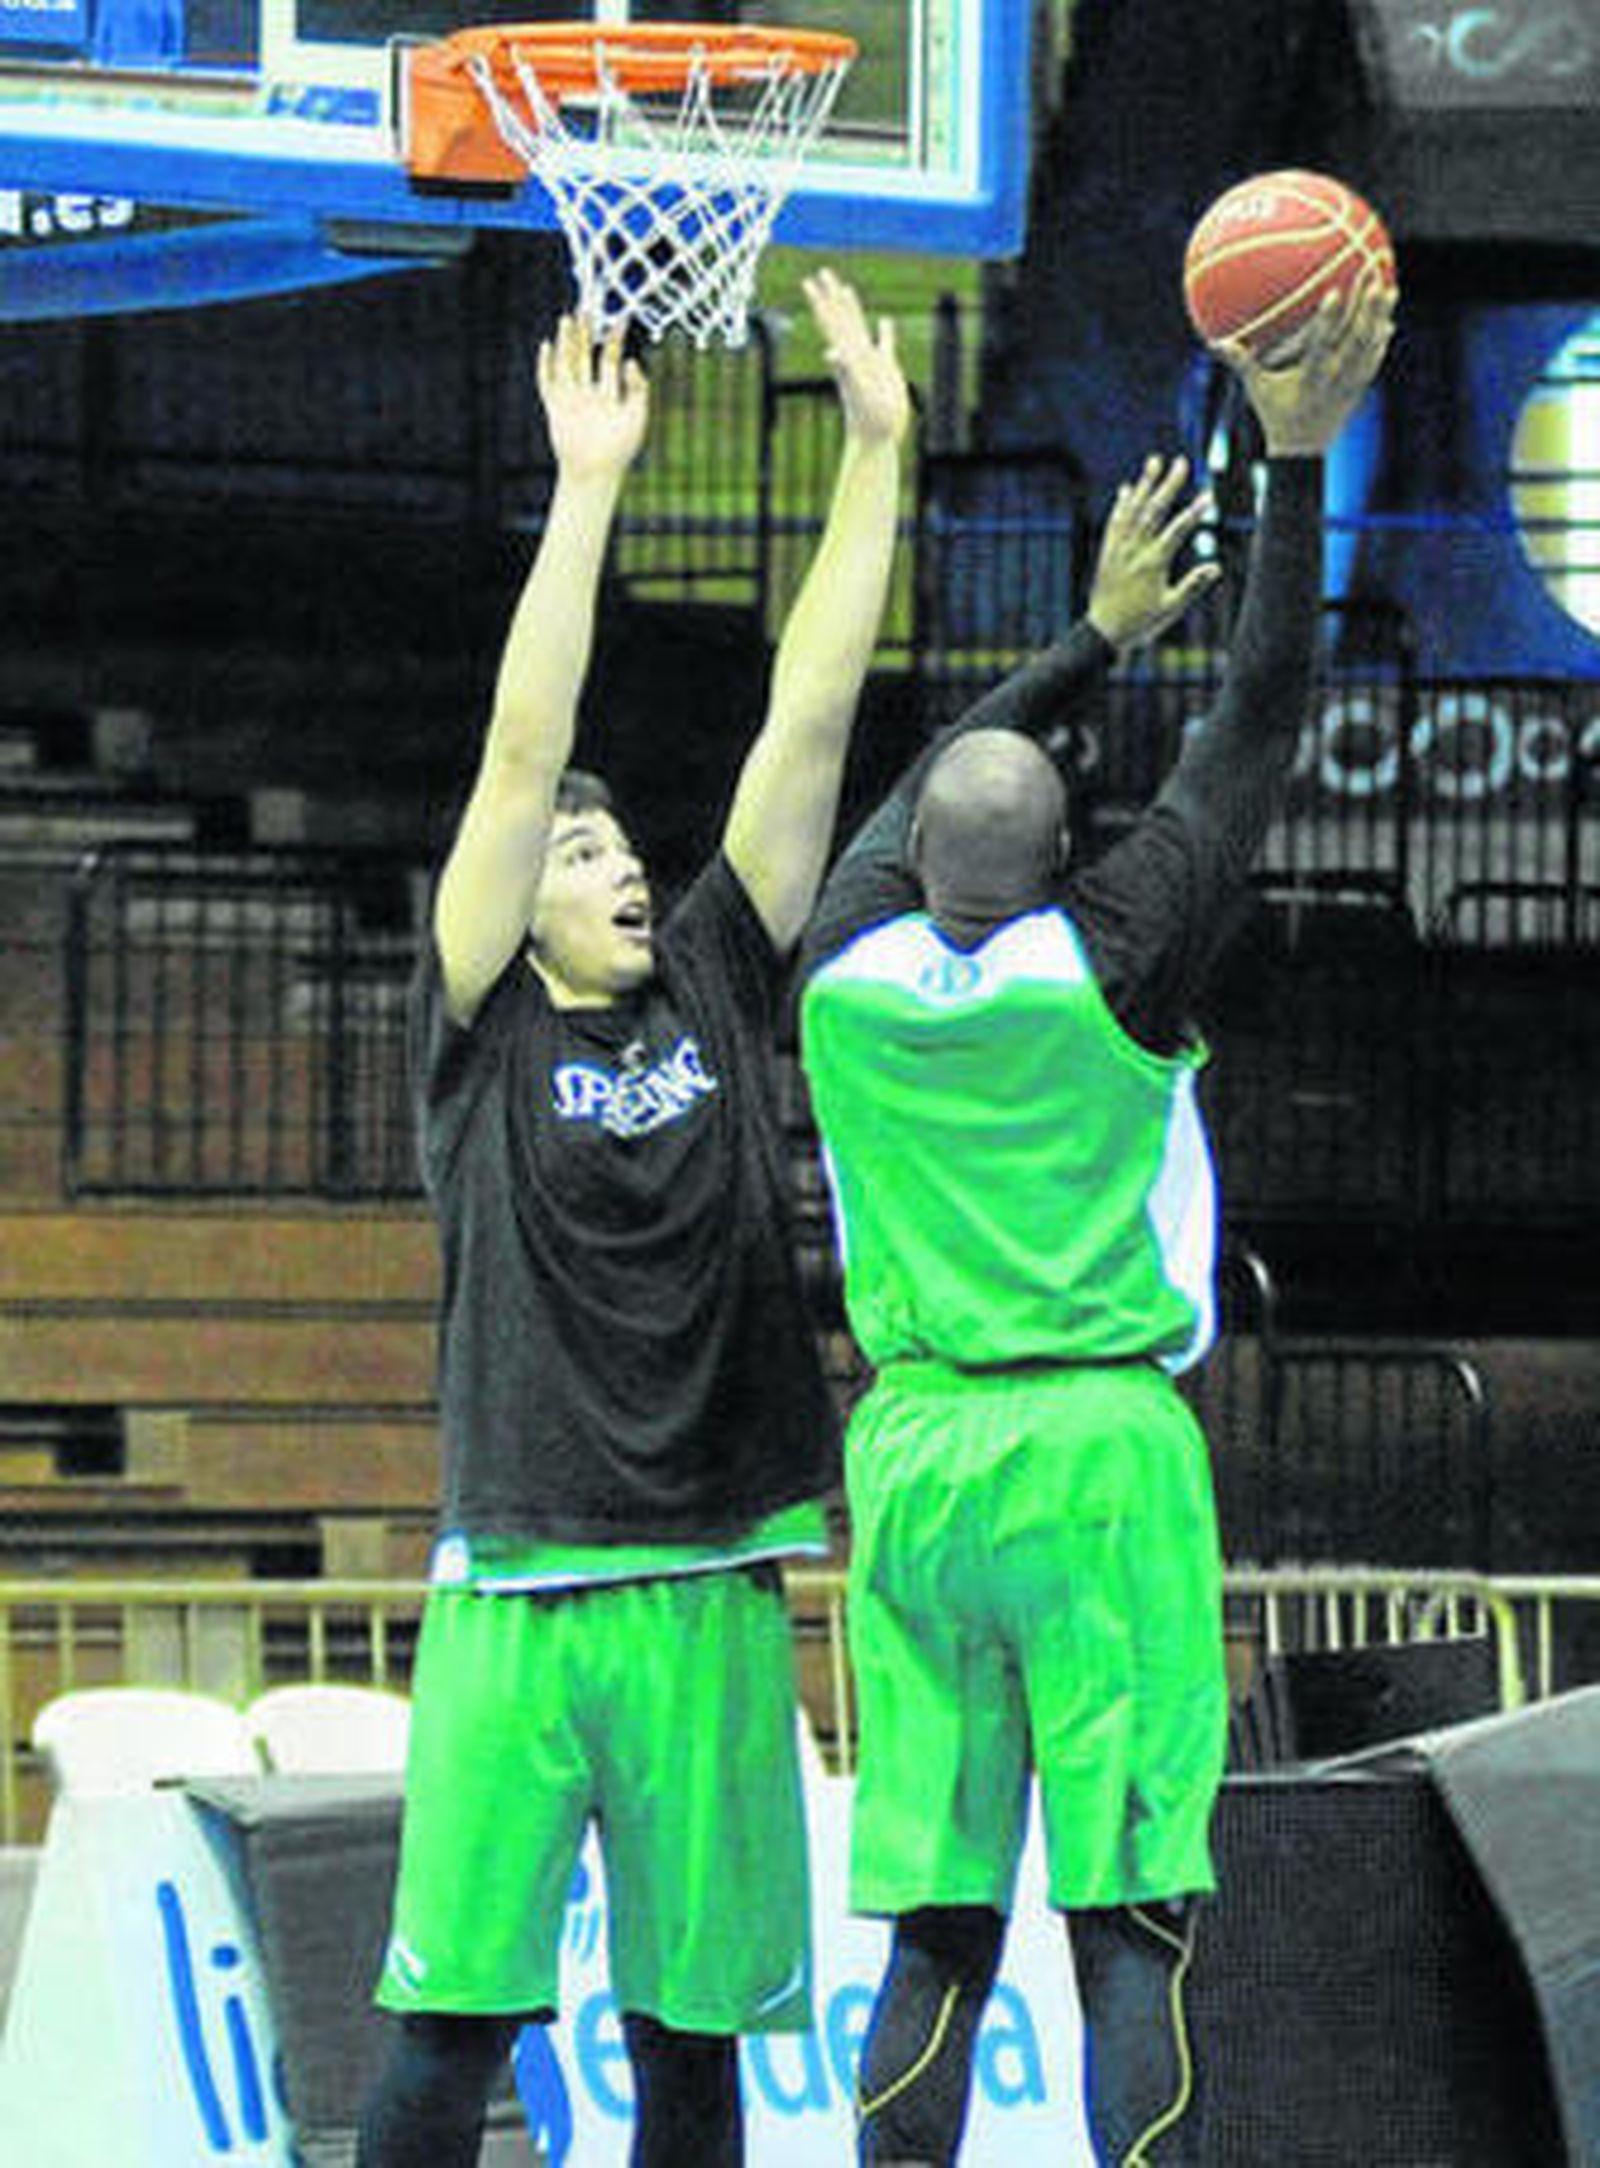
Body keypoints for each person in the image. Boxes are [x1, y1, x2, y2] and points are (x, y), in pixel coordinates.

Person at [797, 273, 1395, 2167]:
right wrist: (1294, 461)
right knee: (1128, 1933)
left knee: (939, 1938)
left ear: (921, 864)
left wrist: (1081, 640)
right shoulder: (1116, 962)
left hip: (910, 1457)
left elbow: (919, 793)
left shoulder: (836, 969)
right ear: (1067, 859)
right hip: (1095, 1460)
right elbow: (1263, 718)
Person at [357, 269, 910, 2168]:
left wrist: (878, 453)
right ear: (510, 907)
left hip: (707, 1587)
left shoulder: (718, 980)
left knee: (696, 2052)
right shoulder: (479, 1028)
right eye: (576, 856)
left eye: (618, 847)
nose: (612, 864)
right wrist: (589, 486)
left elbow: (814, 713)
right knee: (449, 2045)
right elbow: (523, 756)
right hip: (517, 1586)